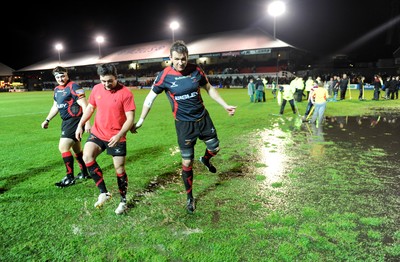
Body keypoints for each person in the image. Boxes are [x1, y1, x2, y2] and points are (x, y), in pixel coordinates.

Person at [131, 40, 236, 213]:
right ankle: (189, 198)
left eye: (184, 59)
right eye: (177, 59)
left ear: (188, 57)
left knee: (215, 147)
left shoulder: (196, 70)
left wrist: (224, 105)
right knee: (187, 161)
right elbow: (150, 98)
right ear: (170, 58)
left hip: (203, 119)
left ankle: (206, 159)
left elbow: (208, 88)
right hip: (184, 125)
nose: (181, 62)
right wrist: (141, 120)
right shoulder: (164, 76)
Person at [75, 64, 136, 215]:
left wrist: (120, 134)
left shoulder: (126, 93)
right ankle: (104, 193)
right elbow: (90, 108)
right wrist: (80, 125)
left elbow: (130, 119)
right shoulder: (96, 89)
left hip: (116, 136)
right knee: (87, 156)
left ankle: (123, 201)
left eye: (110, 81)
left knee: (119, 169)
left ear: (116, 77)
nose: (106, 84)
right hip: (98, 133)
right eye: (103, 81)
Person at [41, 66, 91, 188]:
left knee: (63, 147)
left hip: (75, 121)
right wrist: (47, 119)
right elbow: (55, 106)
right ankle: (84, 173)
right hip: (66, 122)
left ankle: (69, 177)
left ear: (67, 75)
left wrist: (87, 123)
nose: (60, 78)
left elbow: (85, 106)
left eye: (62, 75)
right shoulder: (57, 89)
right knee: (77, 149)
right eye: (58, 77)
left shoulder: (74, 87)